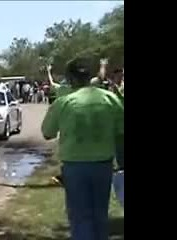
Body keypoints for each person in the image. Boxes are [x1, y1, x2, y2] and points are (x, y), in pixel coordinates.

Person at [41, 57, 124, 240]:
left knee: (80, 217)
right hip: (103, 165)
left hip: (75, 166)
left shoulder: (63, 102)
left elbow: (47, 132)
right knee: (100, 215)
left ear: (69, 78)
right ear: (91, 76)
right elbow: (121, 131)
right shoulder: (110, 99)